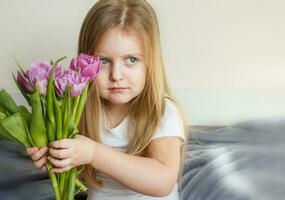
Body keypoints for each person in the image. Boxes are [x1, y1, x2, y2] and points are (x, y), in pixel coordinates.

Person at [25, 0, 188, 199]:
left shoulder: (161, 110)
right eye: (104, 61)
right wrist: (54, 157)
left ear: (150, 63)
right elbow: (71, 168)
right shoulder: (79, 108)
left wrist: (94, 154)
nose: (116, 75)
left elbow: (162, 181)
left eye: (131, 60)